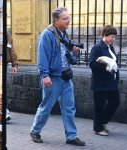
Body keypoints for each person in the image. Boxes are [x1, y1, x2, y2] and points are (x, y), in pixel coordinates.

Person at [30, 7, 85, 146]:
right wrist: (44, 76)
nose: (69, 20)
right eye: (65, 18)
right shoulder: (47, 35)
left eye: (69, 17)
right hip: (53, 78)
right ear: (56, 20)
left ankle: (71, 136)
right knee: (46, 106)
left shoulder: (63, 34)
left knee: (69, 108)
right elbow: (42, 57)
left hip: (66, 77)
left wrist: (74, 52)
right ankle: (35, 131)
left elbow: (65, 56)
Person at [89, 25, 120, 136]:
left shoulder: (110, 47)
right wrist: (106, 68)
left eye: (114, 37)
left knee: (115, 102)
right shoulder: (97, 48)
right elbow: (92, 63)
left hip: (111, 82)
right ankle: (98, 128)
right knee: (99, 106)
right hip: (100, 82)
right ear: (105, 35)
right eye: (112, 36)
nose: (113, 39)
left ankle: (102, 122)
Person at [6, 30, 18, 121]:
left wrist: (15, 65)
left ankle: (5, 112)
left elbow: (12, 51)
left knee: (6, 89)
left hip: (6, 65)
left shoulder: (8, 37)